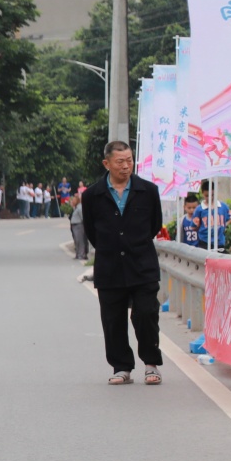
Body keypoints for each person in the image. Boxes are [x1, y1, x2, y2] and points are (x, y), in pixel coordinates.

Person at [81, 141, 164, 386]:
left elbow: (154, 225)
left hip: (142, 264)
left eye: (129, 160)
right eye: (120, 161)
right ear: (107, 163)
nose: (126, 166)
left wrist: (133, 244)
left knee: (146, 313)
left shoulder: (147, 191)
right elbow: (91, 231)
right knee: (112, 319)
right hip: (109, 267)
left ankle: (151, 363)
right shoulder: (92, 196)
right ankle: (121, 366)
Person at [68, 193, 88, 262]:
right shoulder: (76, 207)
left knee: (80, 240)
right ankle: (78, 254)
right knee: (77, 241)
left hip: (79, 225)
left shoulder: (80, 207)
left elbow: (82, 217)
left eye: (73, 200)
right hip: (75, 225)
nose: (72, 202)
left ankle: (81, 254)